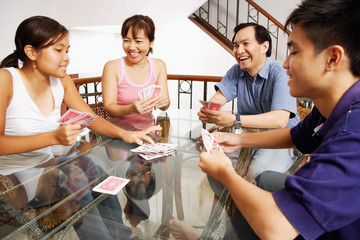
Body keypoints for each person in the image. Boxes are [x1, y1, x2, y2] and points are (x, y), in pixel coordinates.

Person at [170, 0, 360, 239]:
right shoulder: (329, 106)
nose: (287, 63)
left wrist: (227, 171)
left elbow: (278, 230)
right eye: (235, 44)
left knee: (252, 175)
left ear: (333, 58)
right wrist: (237, 139)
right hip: (257, 140)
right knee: (265, 180)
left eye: (295, 52)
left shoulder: (353, 133)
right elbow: (294, 135)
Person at [0, 15, 161, 158]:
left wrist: (126, 135)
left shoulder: (62, 80)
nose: (66, 59)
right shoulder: (5, 79)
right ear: (31, 52)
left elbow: (91, 118)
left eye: (67, 51)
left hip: (48, 168)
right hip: (10, 180)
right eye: (58, 50)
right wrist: (54, 137)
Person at [199, 23, 300, 183]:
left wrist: (234, 119)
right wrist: (209, 111)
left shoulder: (280, 71)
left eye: (246, 44)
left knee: (256, 173)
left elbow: (279, 120)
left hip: (282, 139)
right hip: (247, 137)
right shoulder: (236, 71)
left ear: (264, 46)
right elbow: (217, 99)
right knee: (215, 163)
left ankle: (244, 204)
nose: (239, 51)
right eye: (236, 45)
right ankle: (228, 205)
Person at [102, 14, 170, 131]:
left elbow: (165, 106)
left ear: (151, 42)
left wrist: (164, 102)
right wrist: (131, 109)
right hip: (118, 136)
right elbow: (108, 109)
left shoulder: (159, 65)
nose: (132, 47)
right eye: (126, 40)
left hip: (148, 133)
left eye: (138, 41)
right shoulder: (112, 67)